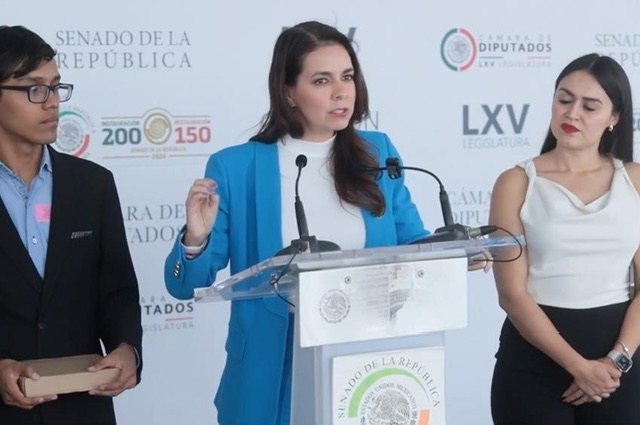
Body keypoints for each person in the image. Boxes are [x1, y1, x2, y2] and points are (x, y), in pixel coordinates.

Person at [165, 20, 491, 425]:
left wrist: (454, 255)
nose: (341, 92)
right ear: (288, 91)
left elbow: (411, 244)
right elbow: (184, 286)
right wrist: (196, 237)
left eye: (347, 77)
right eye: (322, 80)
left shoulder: (378, 152)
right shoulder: (236, 167)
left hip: (370, 363)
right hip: (272, 368)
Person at [0, 26, 142, 425]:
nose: (52, 102)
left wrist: (128, 350)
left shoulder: (93, 185)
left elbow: (117, 291)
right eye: (34, 89)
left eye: (56, 87)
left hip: (83, 409)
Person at [489, 53, 640, 425]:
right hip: (533, 365)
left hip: (618, 368)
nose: (572, 114)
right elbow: (512, 294)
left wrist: (615, 361)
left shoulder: (634, 180)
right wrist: (581, 368)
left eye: (590, 106)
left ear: (615, 117)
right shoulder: (516, 182)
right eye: (564, 99)